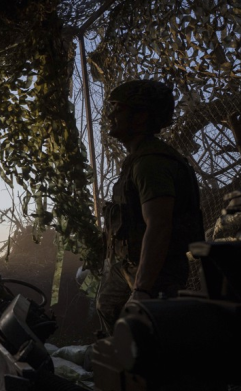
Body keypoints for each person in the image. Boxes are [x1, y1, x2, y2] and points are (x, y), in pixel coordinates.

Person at [96, 79, 205, 337]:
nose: (111, 115)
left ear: (140, 117)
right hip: (129, 266)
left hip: (155, 275)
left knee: (151, 341)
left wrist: (142, 290)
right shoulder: (137, 161)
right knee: (113, 318)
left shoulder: (151, 163)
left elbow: (159, 224)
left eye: (118, 109)